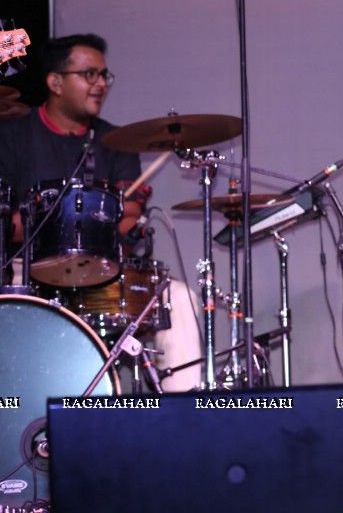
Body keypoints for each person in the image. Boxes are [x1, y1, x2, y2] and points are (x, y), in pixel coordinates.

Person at [0, 33, 201, 392]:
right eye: (89, 75)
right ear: (55, 82)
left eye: (104, 76)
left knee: (179, 298)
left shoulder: (116, 140)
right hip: (24, 269)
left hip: (102, 272)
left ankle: (187, 420)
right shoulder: (13, 134)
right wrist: (57, 229)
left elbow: (130, 213)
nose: (100, 85)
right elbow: (5, 223)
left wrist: (93, 233)